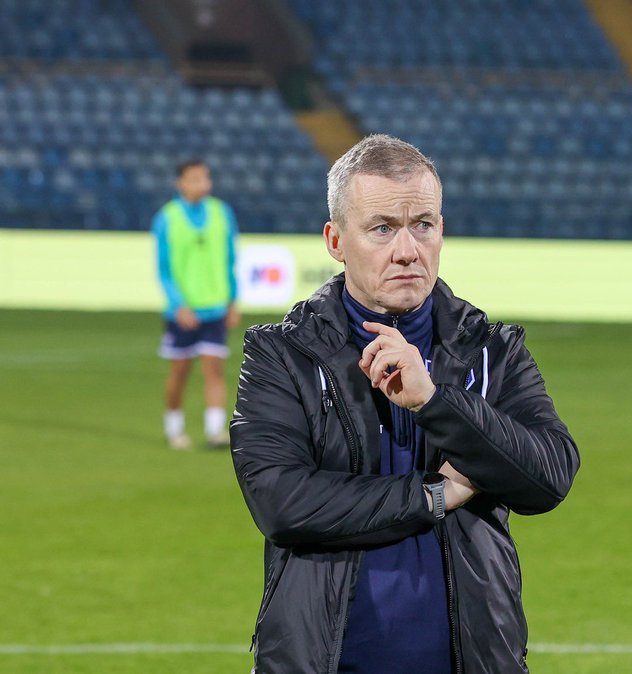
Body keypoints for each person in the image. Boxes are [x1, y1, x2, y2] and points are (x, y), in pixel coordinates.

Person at [230, 134, 580, 673]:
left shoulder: (492, 350)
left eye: (423, 225)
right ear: (335, 240)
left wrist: (435, 402)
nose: (407, 250)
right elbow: (283, 503)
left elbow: (549, 477)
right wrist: (434, 496)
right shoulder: (283, 355)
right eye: (382, 228)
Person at [153, 159, 239, 450]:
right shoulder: (167, 218)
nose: (203, 184)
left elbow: (230, 259)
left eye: (205, 178)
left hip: (215, 307)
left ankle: (215, 431)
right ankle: (174, 428)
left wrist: (232, 300)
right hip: (184, 312)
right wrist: (178, 305)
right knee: (180, 371)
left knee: (214, 368)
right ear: (181, 183)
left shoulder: (222, 212)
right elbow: (164, 269)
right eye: (195, 179)